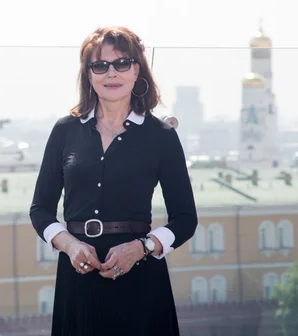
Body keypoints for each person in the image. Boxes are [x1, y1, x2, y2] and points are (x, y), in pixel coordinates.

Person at [29, 26, 198, 335]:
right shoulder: (65, 130)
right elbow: (40, 209)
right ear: (88, 75)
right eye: (100, 65)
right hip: (78, 277)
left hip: (140, 278)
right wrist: (69, 245)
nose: (112, 73)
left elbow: (186, 219)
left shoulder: (161, 136)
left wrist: (142, 248)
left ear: (137, 71)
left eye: (122, 63)